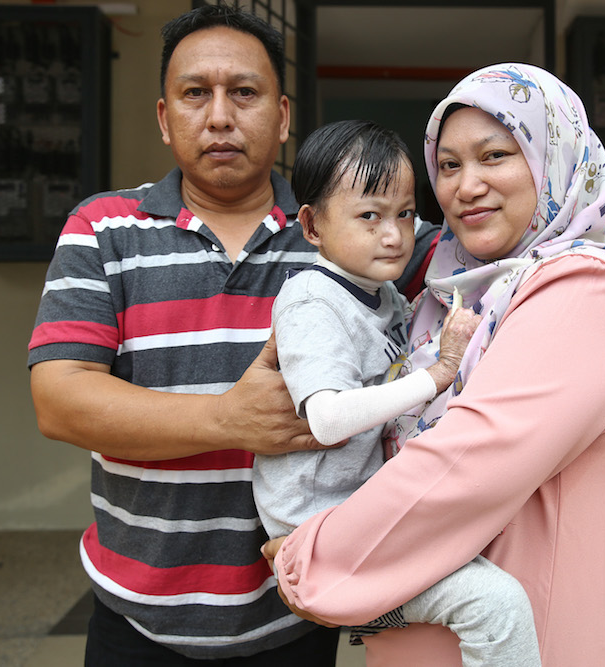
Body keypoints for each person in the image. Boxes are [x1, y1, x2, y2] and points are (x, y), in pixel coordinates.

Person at [27, 3, 605, 664]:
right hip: (140, 611)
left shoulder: (362, 234)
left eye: (244, 93)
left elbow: (503, 253)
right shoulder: (104, 229)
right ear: (165, 117)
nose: (220, 115)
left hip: (297, 618)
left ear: (282, 116)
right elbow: (58, 399)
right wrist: (227, 420)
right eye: (196, 93)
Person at [267, 63, 605, 666]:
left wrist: (311, 559)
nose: (466, 186)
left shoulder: (583, 291)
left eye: (495, 155)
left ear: (554, 156)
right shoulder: (451, 293)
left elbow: (460, 467)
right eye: (448, 165)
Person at [253, 119, 540, 667]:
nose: (393, 235)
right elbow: (328, 419)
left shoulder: (381, 295)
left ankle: (373, 610)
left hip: (360, 522)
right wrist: (435, 376)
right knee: (497, 605)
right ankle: (365, 606)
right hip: (322, 536)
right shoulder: (312, 300)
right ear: (311, 226)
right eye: (369, 216)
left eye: (405, 214)